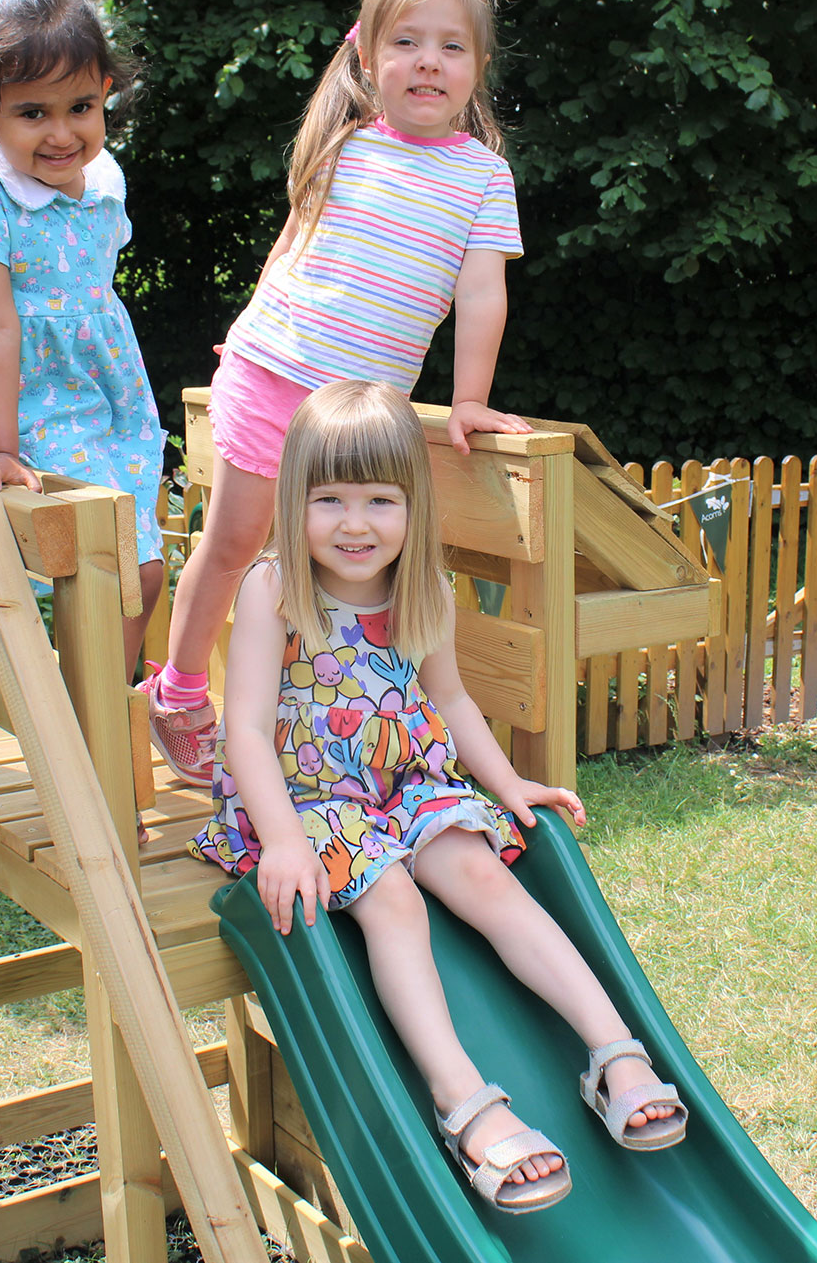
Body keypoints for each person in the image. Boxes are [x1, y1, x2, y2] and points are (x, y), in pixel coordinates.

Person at [190, 381, 689, 1215]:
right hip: (306, 800)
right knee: (392, 899)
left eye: (380, 499)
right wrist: (280, 840)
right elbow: (243, 730)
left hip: (406, 784)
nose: (356, 523)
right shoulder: (273, 591)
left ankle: (616, 1053)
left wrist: (506, 780)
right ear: (293, 502)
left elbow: (451, 701)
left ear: (413, 506)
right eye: (330, 499)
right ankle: (465, 1102)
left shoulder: (424, 590)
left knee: (485, 874)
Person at [145, 0, 532, 787]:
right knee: (239, 540)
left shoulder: (483, 177)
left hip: (356, 410)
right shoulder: (348, 145)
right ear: (369, 59)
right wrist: (250, 325)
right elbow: (296, 243)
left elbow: (482, 293)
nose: (429, 61)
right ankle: (178, 694)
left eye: (452, 46)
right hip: (273, 367)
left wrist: (470, 399)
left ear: (479, 67)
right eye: (407, 42)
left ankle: (299, 720)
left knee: (336, 562)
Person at [0, 0, 165, 670]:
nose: (63, 134)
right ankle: (88, 715)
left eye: (81, 107)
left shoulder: (103, 180)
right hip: (36, 403)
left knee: (140, 569)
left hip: (111, 399)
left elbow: (96, 303)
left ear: (106, 93)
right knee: (112, 568)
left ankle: (101, 701)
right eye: (34, 112)